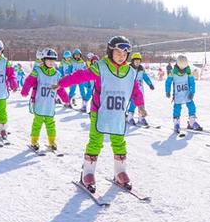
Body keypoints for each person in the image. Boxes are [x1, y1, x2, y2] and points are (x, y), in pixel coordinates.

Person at [55, 36, 146, 193]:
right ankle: (88, 173)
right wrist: (62, 83)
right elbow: (81, 76)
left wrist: (140, 106)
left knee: (119, 141)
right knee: (95, 141)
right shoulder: (101, 67)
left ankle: (120, 171)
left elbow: (135, 90)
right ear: (110, 52)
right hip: (100, 112)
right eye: (118, 52)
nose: (121, 56)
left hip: (118, 113)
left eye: (125, 54)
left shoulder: (130, 72)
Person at [21, 48, 70, 152]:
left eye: (53, 60)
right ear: (43, 60)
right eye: (49, 60)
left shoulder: (57, 74)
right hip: (39, 103)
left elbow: (60, 88)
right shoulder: (37, 71)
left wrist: (65, 99)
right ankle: (34, 141)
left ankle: (52, 142)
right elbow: (29, 81)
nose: (51, 62)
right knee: (37, 123)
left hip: (50, 105)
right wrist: (25, 90)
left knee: (50, 124)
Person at [165, 54, 202, 133]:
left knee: (192, 107)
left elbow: (192, 82)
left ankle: (192, 122)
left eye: (183, 67)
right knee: (177, 109)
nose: (182, 69)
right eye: (181, 67)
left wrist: (192, 92)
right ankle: (176, 123)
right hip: (178, 94)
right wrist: (167, 91)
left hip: (187, 93)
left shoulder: (188, 72)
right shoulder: (172, 72)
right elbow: (168, 82)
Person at [127, 52, 155, 126]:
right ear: (132, 61)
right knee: (133, 104)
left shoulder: (141, 69)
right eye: (136, 61)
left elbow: (145, 77)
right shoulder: (129, 69)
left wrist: (150, 84)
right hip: (132, 91)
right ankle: (130, 117)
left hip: (140, 90)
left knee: (142, 104)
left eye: (138, 61)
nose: (137, 63)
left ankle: (141, 118)